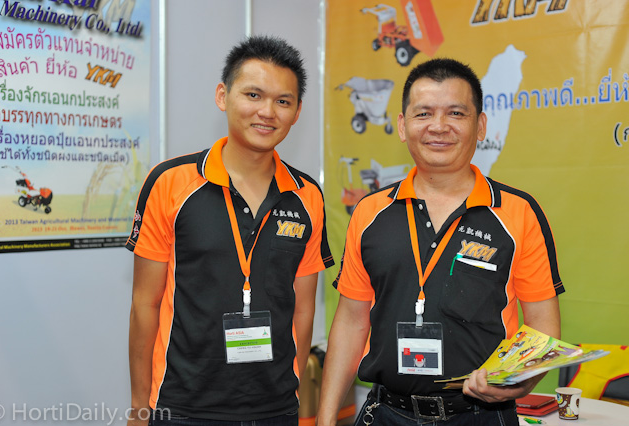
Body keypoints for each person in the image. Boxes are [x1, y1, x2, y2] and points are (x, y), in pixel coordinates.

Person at [316, 58, 563, 425]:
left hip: (481, 415)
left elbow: (542, 327)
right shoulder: (369, 212)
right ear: (403, 126)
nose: (439, 126)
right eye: (424, 113)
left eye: (456, 113)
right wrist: (324, 419)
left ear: (480, 125)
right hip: (387, 414)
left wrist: (519, 384)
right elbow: (352, 322)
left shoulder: (518, 212)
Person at [126, 35, 334, 426]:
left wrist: (291, 391)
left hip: (275, 408)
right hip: (182, 404)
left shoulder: (307, 195)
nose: (267, 112)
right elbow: (144, 304)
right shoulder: (170, 182)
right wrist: (140, 407)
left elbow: (304, 308)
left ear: (297, 111)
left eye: (283, 101)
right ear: (223, 96)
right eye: (253, 95)